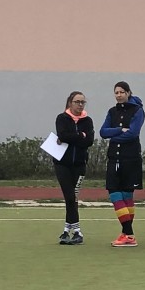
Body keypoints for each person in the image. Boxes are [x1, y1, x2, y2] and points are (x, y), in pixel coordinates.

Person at [99, 81, 145, 247]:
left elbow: (133, 133)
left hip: (130, 159)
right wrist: (119, 130)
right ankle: (127, 234)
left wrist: (114, 137)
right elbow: (103, 132)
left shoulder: (137, 110)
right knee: (115, 194)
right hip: (114, 159)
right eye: (116, 92)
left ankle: (129, 235)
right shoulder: (112, 111)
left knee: (126, 196)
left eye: (121, 92)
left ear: (128, 93)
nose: (118, 95)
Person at [52, 93, 94, 245]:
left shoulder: (87, 121)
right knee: (69, 196)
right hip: (62, 164)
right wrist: (80, 135)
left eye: (83, 102)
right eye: (77, 102)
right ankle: (77, 231)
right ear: (70, 103)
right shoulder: (62, 118)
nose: (80, 105)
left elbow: (89, 141)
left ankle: (66, 231)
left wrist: (75, 137)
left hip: (79, 165)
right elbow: (63, 135)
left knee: (72, 198)